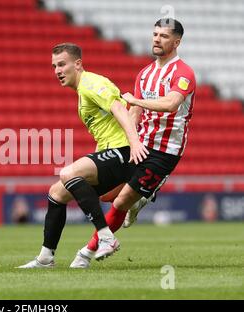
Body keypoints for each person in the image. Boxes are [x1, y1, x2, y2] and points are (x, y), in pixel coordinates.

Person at [71, 18, 196, 268]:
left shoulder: (184, 73)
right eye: (155, 34)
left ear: (176, 42)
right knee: (106, 193)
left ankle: (86, 252)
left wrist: (137, 101)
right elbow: (134, 114)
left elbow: (171, 104)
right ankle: (143, 198)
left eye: (163, 36)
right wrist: (128, 142)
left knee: (120, 202)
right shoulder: (145, 74)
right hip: (140, 144)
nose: (157, 39)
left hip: (164, 152)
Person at [17, 43, 148, 268]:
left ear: (77, 64)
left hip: (124, 151)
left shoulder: (91, 83)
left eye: (62, 64)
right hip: (112, 152)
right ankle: (46, 258)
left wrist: (134, 143)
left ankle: (106, 236)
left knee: (68, 173)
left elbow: (118, 108)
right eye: (54, 66)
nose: (57, 70)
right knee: (56, 192)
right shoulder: (82, 91)